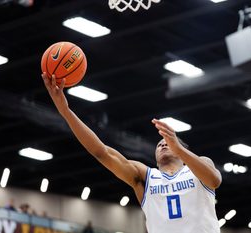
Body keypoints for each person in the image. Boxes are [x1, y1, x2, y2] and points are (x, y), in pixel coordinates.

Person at [41, 73, 222, 233]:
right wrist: (65, 111)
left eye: (167, 142)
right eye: (159, 144)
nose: (163, 145)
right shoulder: (145, 176)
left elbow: (214, 180)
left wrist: (179, 149)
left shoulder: (198, 167)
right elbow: (101, 152)